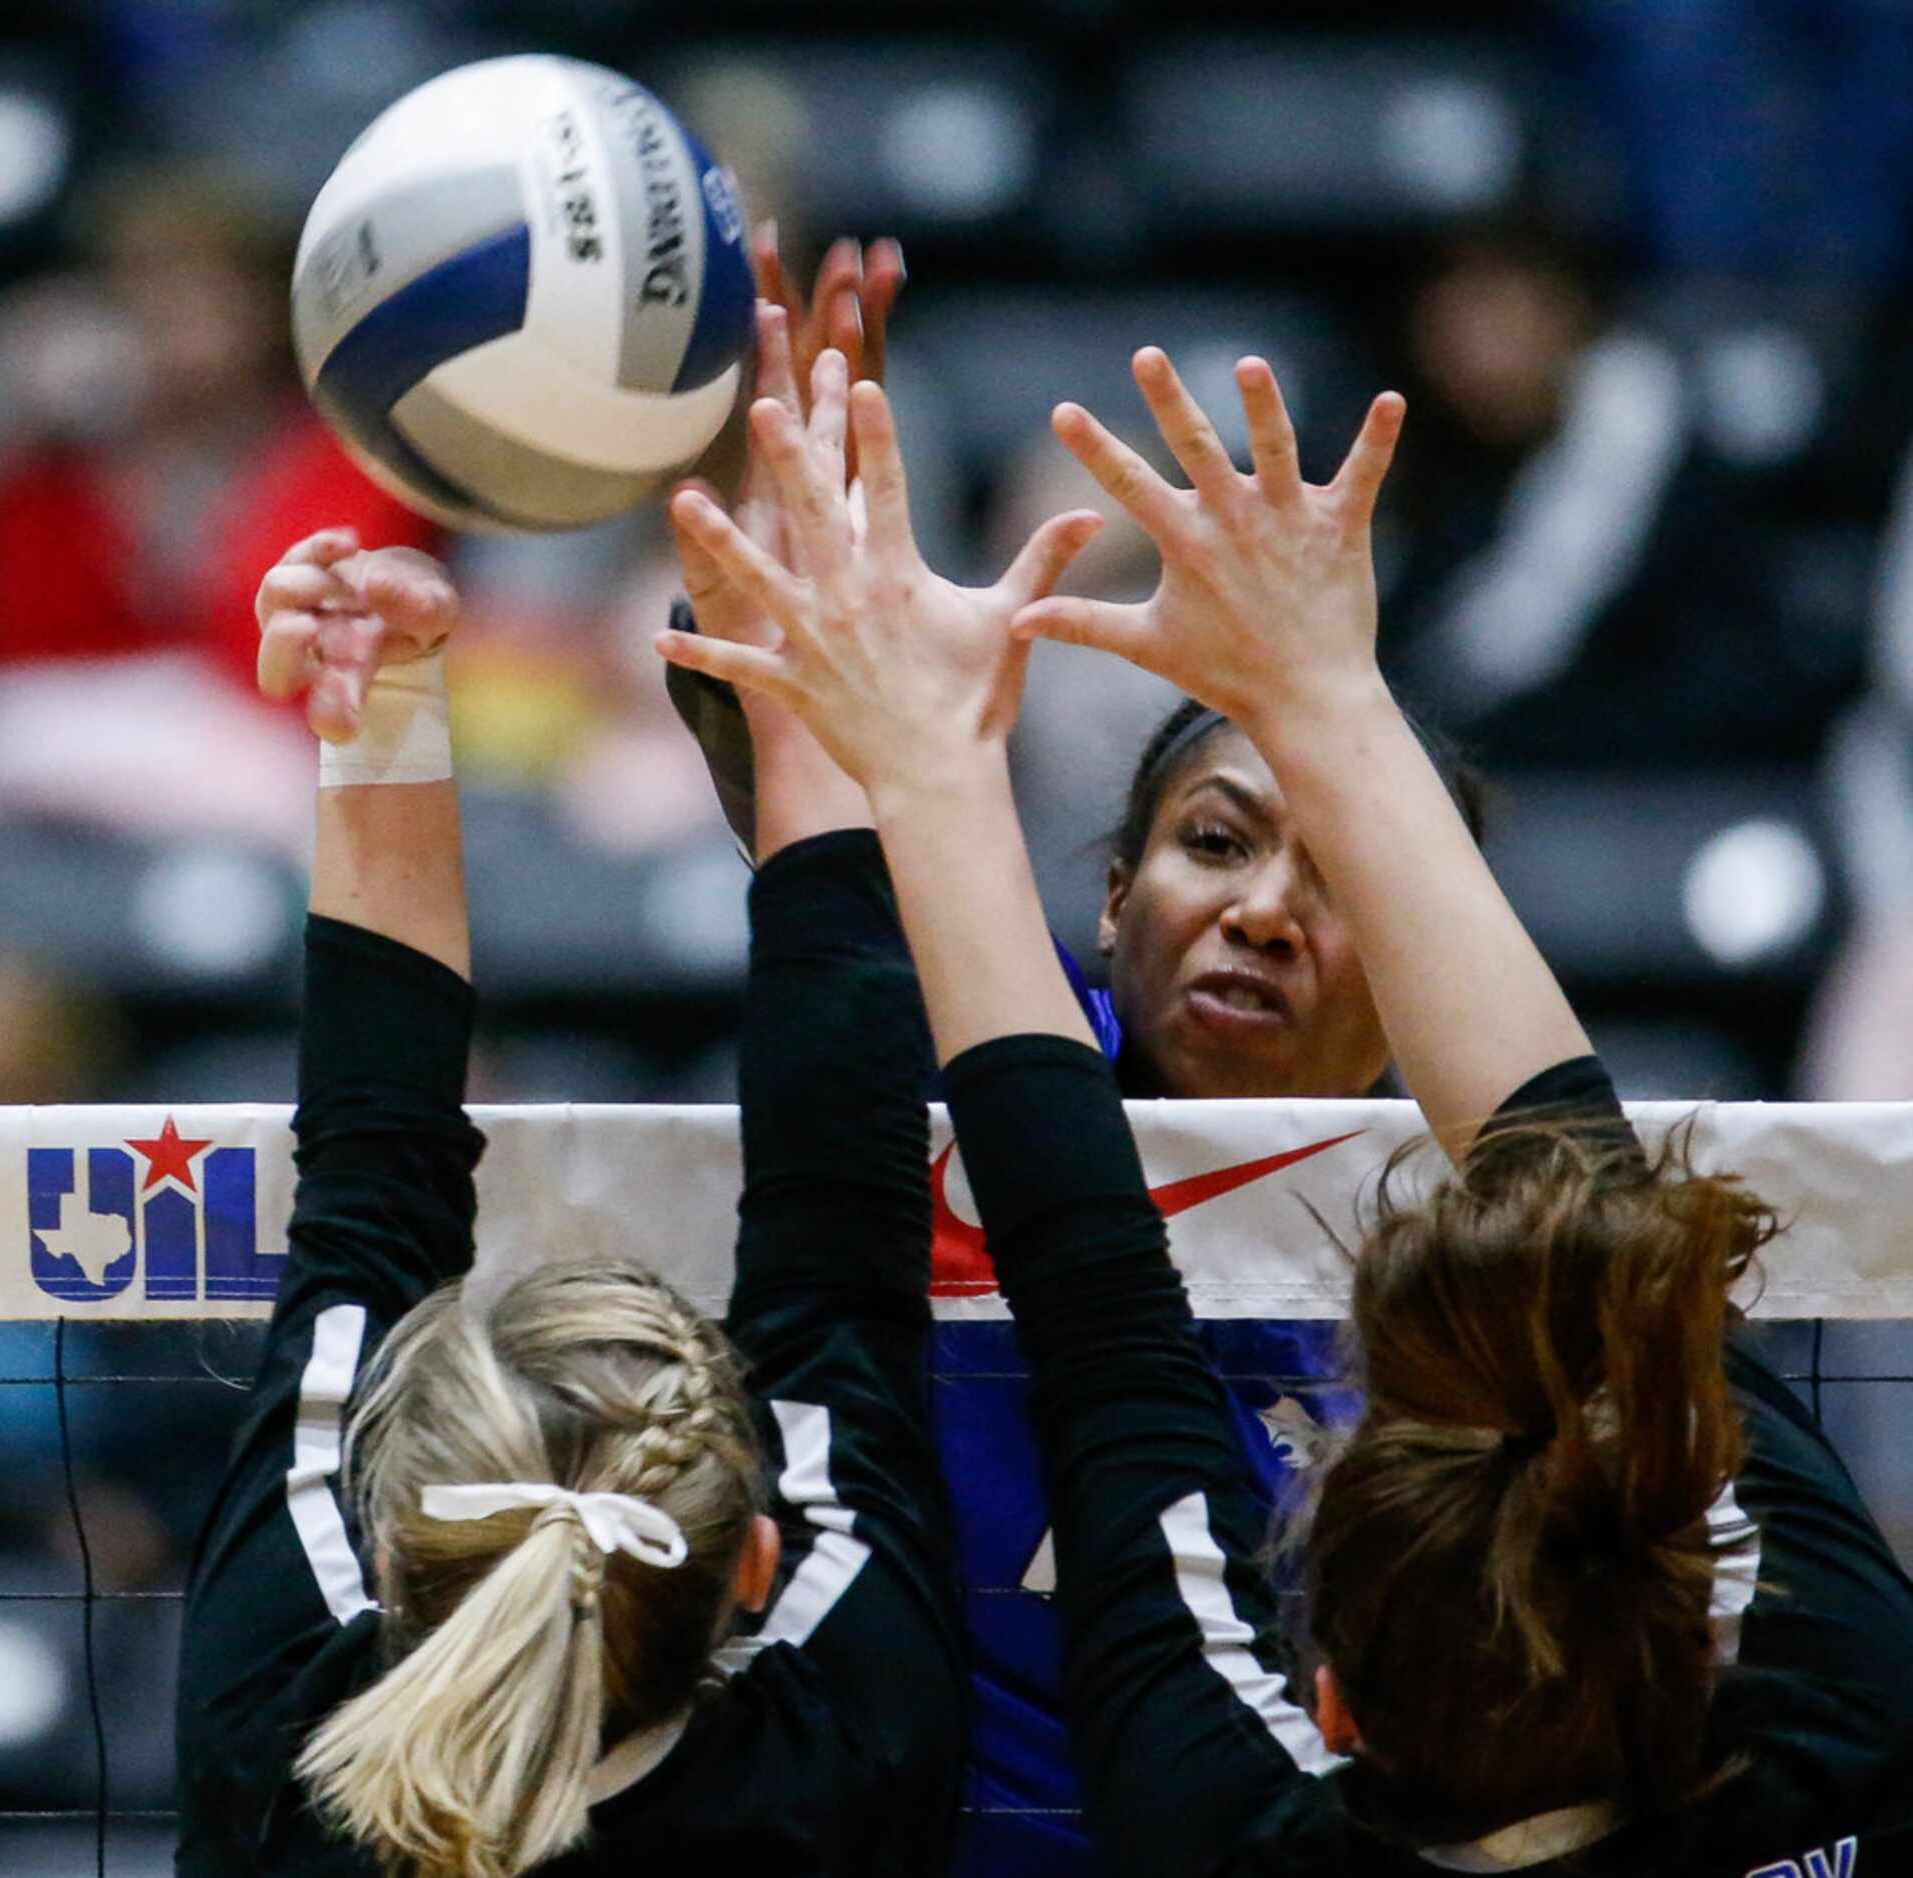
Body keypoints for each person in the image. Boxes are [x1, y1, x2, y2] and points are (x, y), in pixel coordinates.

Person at [659, 346, 1913, 1875]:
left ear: (1332, 1701)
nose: (1262, 912)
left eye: (1335, 879)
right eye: (1215, 841)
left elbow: (1082, 1310)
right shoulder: (1838, 1733)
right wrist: (1322, 693)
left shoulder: (1227, 1802)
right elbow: (1597, 1217)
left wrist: (899, 751)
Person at [174, 307, 972, 1876]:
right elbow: (841, 1244)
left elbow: (371, 1190)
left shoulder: (298, 1745)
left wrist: (379, 701)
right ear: (756, 1564)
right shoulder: (839, 1754)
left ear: (396, 1533)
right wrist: (799, 692)